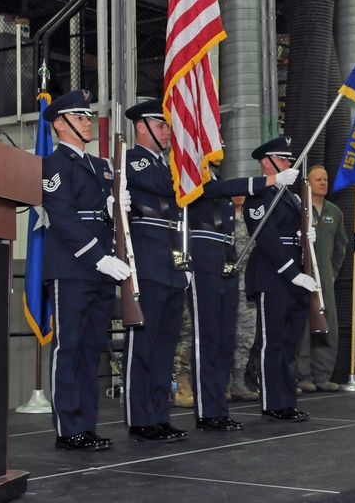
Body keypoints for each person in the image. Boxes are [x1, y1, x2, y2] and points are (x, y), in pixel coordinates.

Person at [40, 89, 131, 451]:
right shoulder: (53, 164)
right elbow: (62, 219)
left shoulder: (101, 165)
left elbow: (101, 215)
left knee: (92, 348)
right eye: (79, 117)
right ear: (60, 124)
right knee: (69, 346)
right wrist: (98, 256)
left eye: (88, 116)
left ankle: (86, 424)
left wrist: (114, 208)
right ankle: (67, 428)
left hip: (101, 268)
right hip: (73, 266)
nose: (87, 122)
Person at [186, 159, 297, 430]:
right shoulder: (188, 171)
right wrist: (269, 181)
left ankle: (217, 407)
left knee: (225, 339)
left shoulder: (214, 175)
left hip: (226, 258)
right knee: (208, 338)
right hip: (203, 257)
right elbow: (217, 189)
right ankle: (207, 411)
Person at [121, 98, 190, 442]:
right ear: (141, 127)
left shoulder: (165, 165)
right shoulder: (133, 161)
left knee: (166, 347)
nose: (167, 132)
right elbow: (171, 189)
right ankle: (139, 418)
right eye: (161, 125)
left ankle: (158, 414)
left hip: (172, 265)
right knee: (143, 346)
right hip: (147, 264)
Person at [243, 135, 317, 422]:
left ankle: (286, 400)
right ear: (266, 162)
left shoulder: (289, 195)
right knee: (271, 342)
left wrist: (305, 236)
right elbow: (267, 239)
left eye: (288, 158)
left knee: (288, 344)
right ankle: (272, 402)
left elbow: (291, 231)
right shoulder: (258, 195)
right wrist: (292, 274)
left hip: (295, 275)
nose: (288, 162)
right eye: (282, 158)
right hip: (273, 276)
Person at [295, 165, 348, 393]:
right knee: (304, 325)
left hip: (325, 275)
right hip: (301, 275)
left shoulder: (334, 211)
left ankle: (322, 375)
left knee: (327, 325)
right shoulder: (297, 207)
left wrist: (333, 272)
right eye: (318, 179)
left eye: (325, 179)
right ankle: (302, 375)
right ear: (307, 183)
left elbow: (341, 245)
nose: (323, 183)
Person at [229, 196, 260, 402]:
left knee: (246, 338)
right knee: (223, 336)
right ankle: (220, 383)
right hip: (226, 283)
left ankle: (238, 383)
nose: (240, 194)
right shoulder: (222, 217)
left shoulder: (254, 216)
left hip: (248, 285)